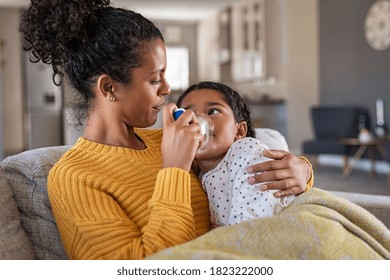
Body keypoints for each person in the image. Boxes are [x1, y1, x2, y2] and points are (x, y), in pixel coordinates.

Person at [19, 0, 313, 260]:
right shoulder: (75, 177)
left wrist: (301, 171)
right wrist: (174, 169)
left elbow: (244, 165)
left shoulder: (173, 139)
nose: (167, 88)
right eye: (153, 79)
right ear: (109, 87)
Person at [176, 81, 298, 227]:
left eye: (213, 111)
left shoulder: (246, 151)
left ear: (239, 131)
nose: (199, 122)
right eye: (188, 116)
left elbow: (252, 226)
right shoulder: (196, 174)